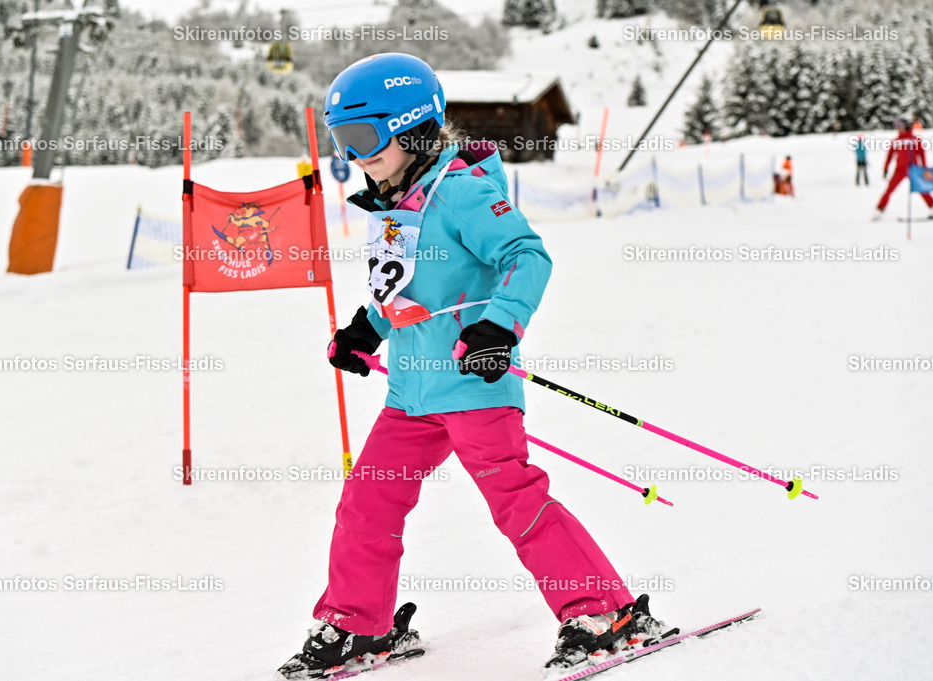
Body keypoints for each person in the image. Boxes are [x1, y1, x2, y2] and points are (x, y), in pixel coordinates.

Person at [277, 53, 673, 680]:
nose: (353, 155)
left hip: (473, 382)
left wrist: (500, 327)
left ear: (409, 128)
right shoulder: (394, 200)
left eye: (362, 137)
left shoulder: (461, 192)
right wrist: (366, 330)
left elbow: (528, 255)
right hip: (411, 393)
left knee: (514, 499)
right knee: (366, 506)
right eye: (341, 140)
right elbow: (404, 288)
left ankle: (603, 612)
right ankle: (358, 625)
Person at [874, 119, 933, 221]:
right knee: (889, 190)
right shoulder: (896, 141)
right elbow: (890, 156)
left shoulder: (914, 139)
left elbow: (921, 154)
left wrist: (924, 168)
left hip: (913, 169)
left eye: (901, 126)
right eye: (897, 126)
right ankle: (879, 210)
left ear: (906, 126)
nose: (899, 128)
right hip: (899, 170)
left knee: (922, 189)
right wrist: (885, 168)